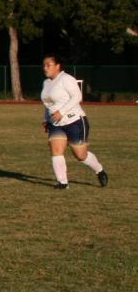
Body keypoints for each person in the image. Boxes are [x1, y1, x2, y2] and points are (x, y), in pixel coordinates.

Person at [40, 54, 108, 190]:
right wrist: (46, 119)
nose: (45, 68)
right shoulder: (46, 83)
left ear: (58, 66)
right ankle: (63, 183)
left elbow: (77, 96)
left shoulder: (66, 79)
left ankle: (99, 170)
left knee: (80, 155)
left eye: (49, 65)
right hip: (56, 123)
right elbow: (48, 104)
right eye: (44, 65)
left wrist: (61, 112)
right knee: (56, 150)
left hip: (75, 120)